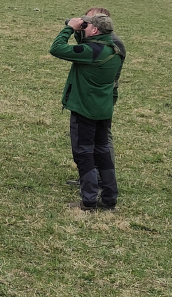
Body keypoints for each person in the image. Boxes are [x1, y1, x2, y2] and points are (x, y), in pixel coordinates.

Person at [51, 11, 125, 210]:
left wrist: (69, 28)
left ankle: (89, 201)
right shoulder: (116, 47)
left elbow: (57, 49)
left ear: (94, 30)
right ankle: (109, 199)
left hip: (85, 109)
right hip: (104, 109)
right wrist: (80, 33)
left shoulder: (92, 51)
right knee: (102, 153)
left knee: (83, 153)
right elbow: (85, 49)